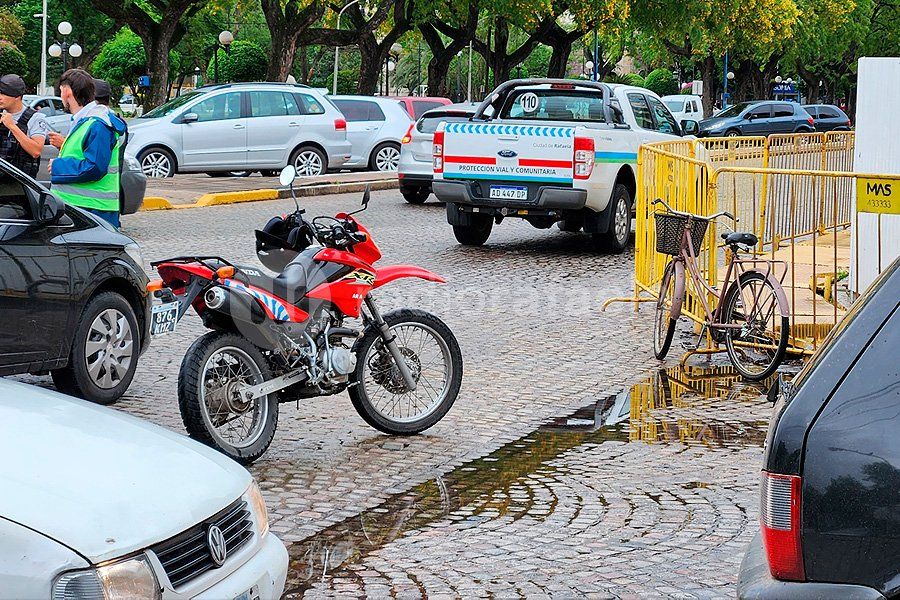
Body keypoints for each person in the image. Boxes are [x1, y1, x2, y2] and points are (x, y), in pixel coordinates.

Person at [49, 69, 126, 227]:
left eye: (61, 90)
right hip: (85, 208)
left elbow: (95, 167)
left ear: (67, 91)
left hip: (93, 211)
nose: (61, 95)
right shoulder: (86, 121)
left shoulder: (98, 124)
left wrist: (58, 166)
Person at [0, 74, 50, 178]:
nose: (0, 97)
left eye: (4, 94)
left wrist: (12, 127)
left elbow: (36, 151)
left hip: (20, 184)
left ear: (17, 96)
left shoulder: (35, 118)